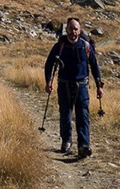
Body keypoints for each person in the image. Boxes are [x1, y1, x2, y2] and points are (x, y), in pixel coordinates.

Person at [44, 16, 103, 158]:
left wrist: (99, 85)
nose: (73, 32)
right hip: (64, 84)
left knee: (83, 115)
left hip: (82, 85)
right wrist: (48, 82)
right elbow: (49, 64)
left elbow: (94, 66)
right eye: (70, 29)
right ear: (66, 29)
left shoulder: (86, 46)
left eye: (75, 29)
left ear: (79, 30)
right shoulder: (59, 46)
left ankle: (84, 145)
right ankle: (66, 140)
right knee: (65, 115)